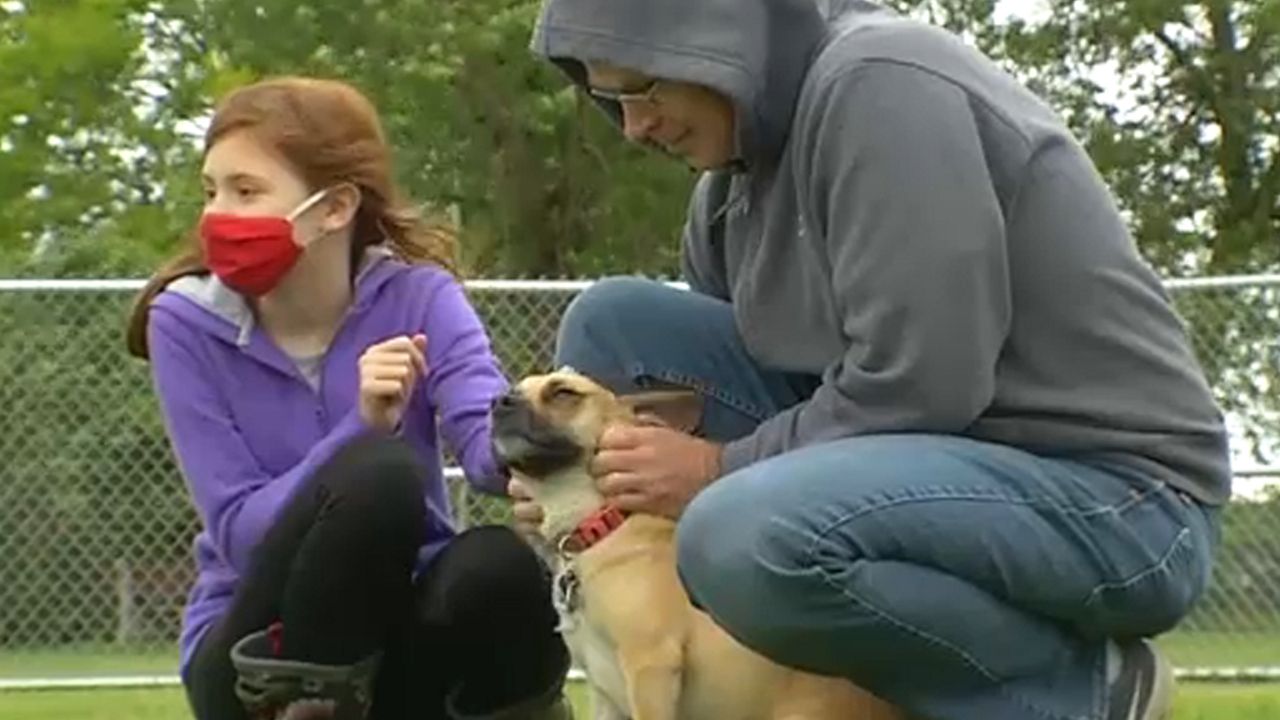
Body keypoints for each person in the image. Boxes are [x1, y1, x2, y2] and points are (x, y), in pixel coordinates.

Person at [511, 1, 1231, 719]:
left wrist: (712, 471)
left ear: (715, 36)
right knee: (613, 329)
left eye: (644, 87)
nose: (635, 127)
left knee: (739, 535)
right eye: (612, 100)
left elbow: (923, 383)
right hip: (930, 470)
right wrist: (583, 491)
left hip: (1118, 499)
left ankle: (1074, 692)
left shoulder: (882, 85)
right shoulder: (729, 187)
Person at [125, 76, 572, 720]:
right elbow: (238, 533)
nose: (216, 215)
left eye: (245, 192)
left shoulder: (421, 297)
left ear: (334, 208)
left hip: (397, 647)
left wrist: (542, 463)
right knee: (380, 471)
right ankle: (309, 704)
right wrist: (358, 429)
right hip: (252, 651)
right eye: (211, 191)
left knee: (500, 566)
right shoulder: (185, 324)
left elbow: (483, 439)